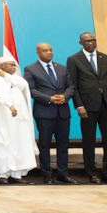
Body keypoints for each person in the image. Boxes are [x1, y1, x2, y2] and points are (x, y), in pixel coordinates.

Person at [69, 32, 107, 184]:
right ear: (80, 43)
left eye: (93, 40)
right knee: (89, 141)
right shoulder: (74, 60)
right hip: (88, 107)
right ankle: (91, 173)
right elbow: (73, 85)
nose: (91, 43)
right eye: (87, 41)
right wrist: (79, 105)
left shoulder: (105, 58)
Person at [23, 43, 76, 184]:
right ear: (38, 53)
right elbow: (31, 90)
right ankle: (47, 175)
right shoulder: (31, 69)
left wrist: (65, 96)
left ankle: (63, 174)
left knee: (63, 145)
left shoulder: (62, 68)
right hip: (44, 113)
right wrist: (49, 99)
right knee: (45, 145)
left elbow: (71, 86)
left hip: (63, 112)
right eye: (45, 50)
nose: (49, 52)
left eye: (50, 50)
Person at [0, 55, 37, 184]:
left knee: (18, 144)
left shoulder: (17, 79)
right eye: (10, 64)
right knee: (3, 144)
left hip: (19, 120)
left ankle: (17, 174)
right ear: (2, 65)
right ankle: (2, 174)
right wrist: (10, 105)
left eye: (14, 65)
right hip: (3, 119)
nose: (13, 67)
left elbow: (22, 85)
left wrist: (6, 75)